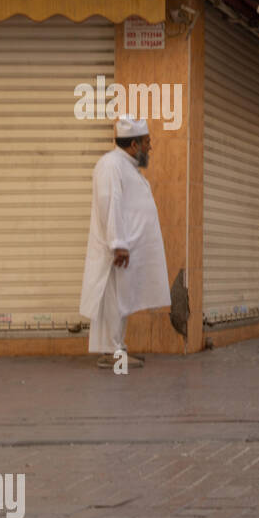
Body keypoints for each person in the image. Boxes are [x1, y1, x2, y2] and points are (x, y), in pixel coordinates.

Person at [79, 116, 171, 369]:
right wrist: (118, 242)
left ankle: (116, 349)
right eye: (146, 142)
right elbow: (111, 204)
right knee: (113, 302)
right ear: (134, 144)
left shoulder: (125, 165)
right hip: (116, 250)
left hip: (124, 249)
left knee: (121, 301)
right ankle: (113, 352)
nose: (150, 147)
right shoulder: (111, 165)